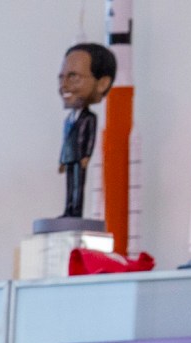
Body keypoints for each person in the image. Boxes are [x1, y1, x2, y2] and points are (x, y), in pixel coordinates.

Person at [57, 43, 117, 222]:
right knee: (69, 186)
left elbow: (89, 138)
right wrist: (61, 160)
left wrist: (86, 156)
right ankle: (69, 210)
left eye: (73, 77)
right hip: (69, 157)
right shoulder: (68, 120)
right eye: (61, 78)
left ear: (102, 83)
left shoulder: (88, 118)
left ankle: (75, 210)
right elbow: (66, 140)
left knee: (78, 186)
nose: (64, 85)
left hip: (80, 159)